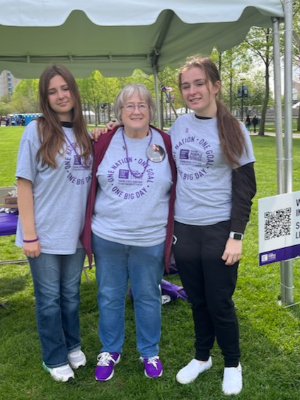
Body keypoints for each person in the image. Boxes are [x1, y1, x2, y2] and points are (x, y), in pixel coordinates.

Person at [170, 56, 256, 396]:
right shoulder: (178, 126)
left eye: (199, 83)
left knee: (220, 301)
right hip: (185, 228)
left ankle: (232, 363)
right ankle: (202, 356)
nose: (192, 91)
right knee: (197, 299)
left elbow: (245, 187)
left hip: (219, 229)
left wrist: (236, 236)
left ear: (215, 86)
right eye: (186, 86)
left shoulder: (233, 127)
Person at [81, 84, 176, 382]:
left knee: (148, 295)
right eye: (129, 105)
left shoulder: (167, 143)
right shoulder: (104, 141)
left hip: (149, 238)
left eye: (142, 105)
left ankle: (149, 351)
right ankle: (110, 349)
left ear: (151, 109)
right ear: (119, 112)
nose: (136, 111)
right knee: (109, 295)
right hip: (108, 236)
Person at [15, 64, 93, 382]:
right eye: (52, 91)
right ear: (45, 98)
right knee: (48, 299)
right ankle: (54, 356)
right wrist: (30, 236)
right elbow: (23, 184)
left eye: (65, 88)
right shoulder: (35, 131)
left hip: (74, 235)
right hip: (44, 234)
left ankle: (72, 344)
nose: (61, 95)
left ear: (74, 91)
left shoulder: (85, 134)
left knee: (71, 296)